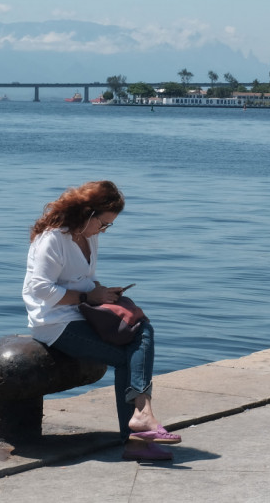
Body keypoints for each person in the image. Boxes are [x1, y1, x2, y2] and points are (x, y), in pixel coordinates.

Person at [22, 180, 180, 462]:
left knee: (141, 327)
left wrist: (103, 292)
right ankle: (137, 431)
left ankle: (140, 421)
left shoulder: (89, 236)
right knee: (125, 355)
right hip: (54, 323)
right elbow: (40, 290)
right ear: (86, 212)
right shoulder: (52, 239)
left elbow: (82, 280)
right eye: (103, 223)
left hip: (80, 313)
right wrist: (88, 297)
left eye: (108, 226)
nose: (103, 230)